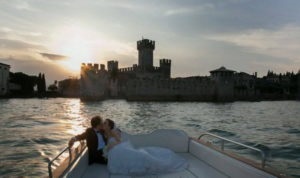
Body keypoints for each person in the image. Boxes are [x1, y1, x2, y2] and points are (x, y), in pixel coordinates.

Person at [103, 119, 188, 175]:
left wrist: (110, 146)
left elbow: (119, 141)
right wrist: (108, 148)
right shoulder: (106, 132)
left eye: (105, 123)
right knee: (137, 155)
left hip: (120, 148)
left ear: (109, 125)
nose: (104, 124)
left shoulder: (113, 132)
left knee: (141, 155)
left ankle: (156, 162)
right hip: (116, 150)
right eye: (104, 123)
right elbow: (109, 143)